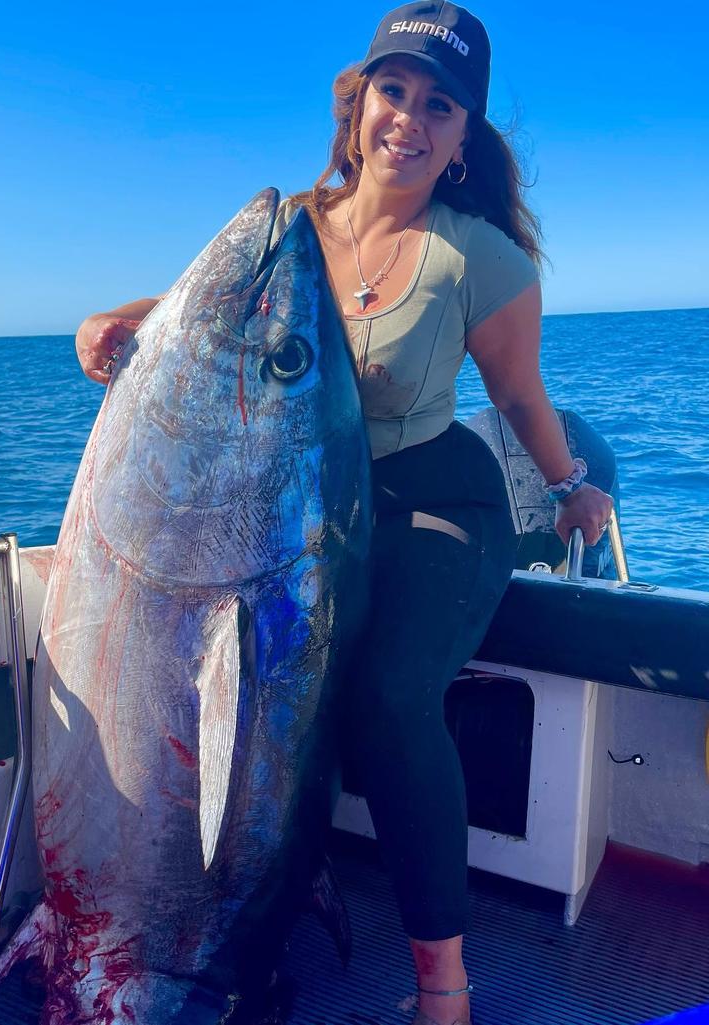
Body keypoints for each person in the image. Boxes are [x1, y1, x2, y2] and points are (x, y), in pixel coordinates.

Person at [75, 4, 613, 1023]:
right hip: (310, 509)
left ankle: (442, 987)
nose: (408, 119)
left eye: (438, 105)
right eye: (394, 91)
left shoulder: (481, 260)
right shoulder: (298, 235)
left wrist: (570, 483)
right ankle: (242, 900)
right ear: (358, 102)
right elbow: (202, 304)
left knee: (385, 693)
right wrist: (113, 320)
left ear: (463, 139)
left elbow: (520, 397)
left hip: (435, 502)